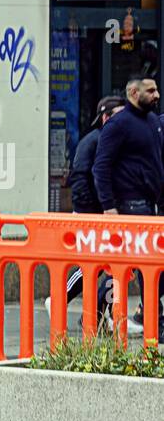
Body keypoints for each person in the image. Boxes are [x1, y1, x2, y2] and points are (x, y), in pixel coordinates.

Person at [92, 76, 164, 335]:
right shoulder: (118, 125)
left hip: (151, 205)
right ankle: (151, 320)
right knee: (136, 267)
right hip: (130, 207)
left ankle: (151, 317)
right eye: (151, 90)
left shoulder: (154, 122)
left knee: (149, 266)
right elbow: (100, 166)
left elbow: (156, 163)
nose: (156, 94)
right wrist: (109, 206)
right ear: (134, 92)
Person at [46, 96, 123, 316]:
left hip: (108, 213)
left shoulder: (114, 142)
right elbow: (79, 177)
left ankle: (99, 310)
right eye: (118, 115)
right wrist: (92, 211)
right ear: (105, 117)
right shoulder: (92, 141)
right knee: (94, 263)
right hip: (93, 213)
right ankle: (60, 299)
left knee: (113, 266)